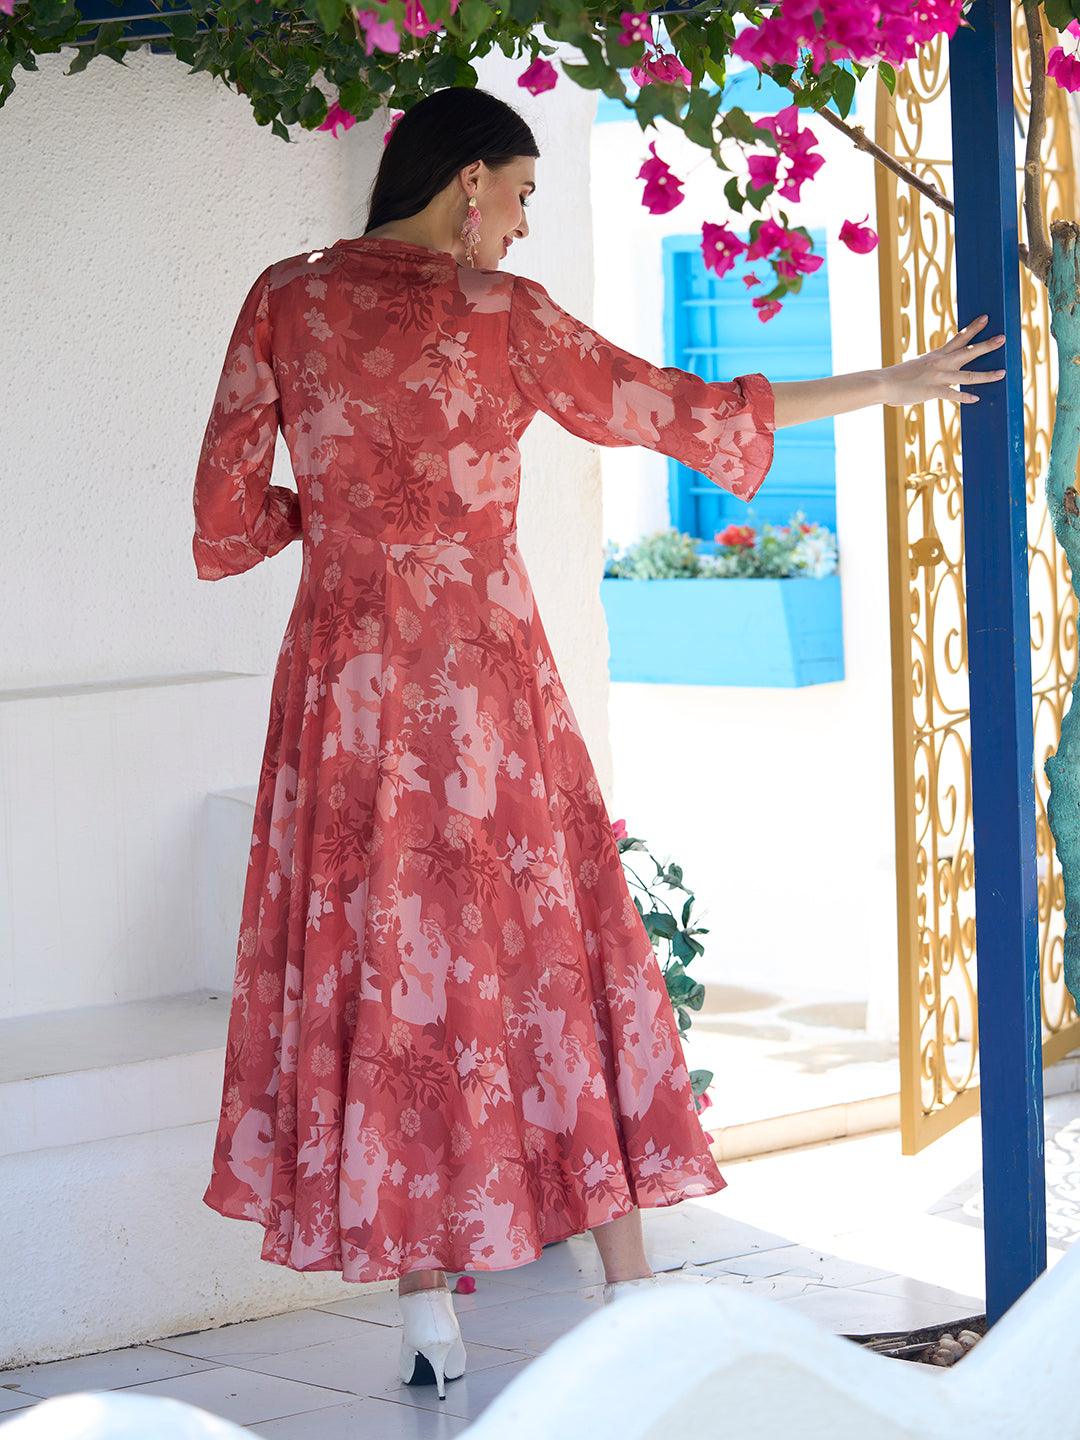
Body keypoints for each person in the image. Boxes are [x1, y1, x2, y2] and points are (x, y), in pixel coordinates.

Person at [191, 85, 1006, 1401]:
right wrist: (893, 384)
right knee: (555, 952)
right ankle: (631, 1290)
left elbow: (224, 519)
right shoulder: (499, 318)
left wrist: (335, 532)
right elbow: (672, 408)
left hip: (345, 690)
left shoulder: (283, 295)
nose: (519, 230)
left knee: (397, 956)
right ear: (467, 184)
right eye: (517, 199)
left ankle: (426, 1320)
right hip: (484, 688)